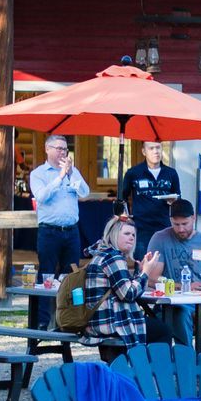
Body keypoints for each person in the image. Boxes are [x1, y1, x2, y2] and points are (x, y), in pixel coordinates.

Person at [80, 216, 168, 361]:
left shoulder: (101, 254)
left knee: (152, 327)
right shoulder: (113, 258)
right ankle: (155, 374)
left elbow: (124, 289)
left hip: (97, 321)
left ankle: (133, 369)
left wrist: (140, 272)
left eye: (133, 234)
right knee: (162, 330)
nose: (131, 238)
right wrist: (146, 272)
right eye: (126, 234)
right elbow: (128, 294)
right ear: (113, 235)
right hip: (110, 322)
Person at [145, 198, 201, 345]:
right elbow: (152, 279)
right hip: (173, 305)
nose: (181, 229)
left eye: (185, 224)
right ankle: (189, 361)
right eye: (176, 224)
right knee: (182, 314)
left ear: (194, 218)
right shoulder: (160, 239)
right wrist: (184, 287)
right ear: (170, 220)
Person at [30, 134, 91, 328]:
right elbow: (41, 197)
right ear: (47, 149)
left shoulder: (73, 172)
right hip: (49, 231)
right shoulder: (38, 173)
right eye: (57, 148)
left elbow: (85, 193)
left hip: (71, 231)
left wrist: (72, 174)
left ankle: (68, 320)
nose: (62, 152)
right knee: (46, 275)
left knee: (70, 276)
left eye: (65, 149)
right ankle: (40, 322)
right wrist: (60, 177)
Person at [119, 141, 182, 254]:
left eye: (158, 148)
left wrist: (174, 201)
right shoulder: (133, 173)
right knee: (142, 263)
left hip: (164, 225)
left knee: (164, 261)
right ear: (144, 151)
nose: (155, 151)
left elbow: (178, 198)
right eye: (151, 148)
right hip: (141, 227)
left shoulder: (171, 173)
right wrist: (126, 216)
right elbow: (122, 198)